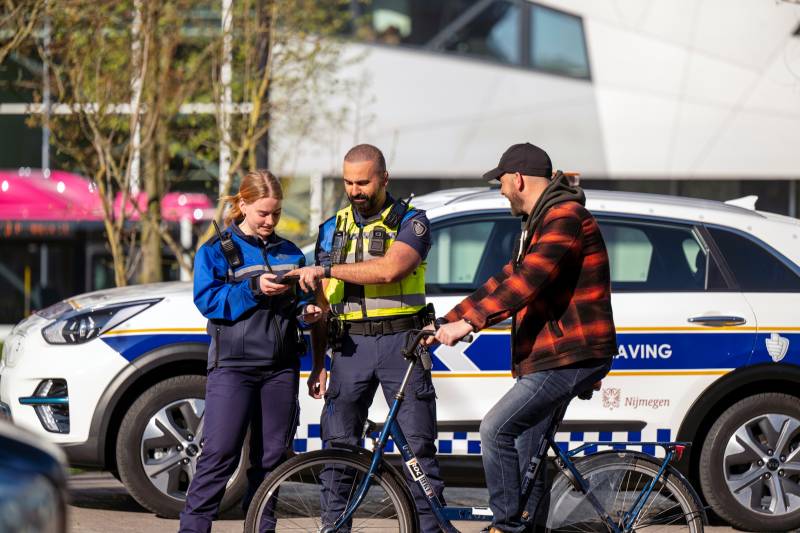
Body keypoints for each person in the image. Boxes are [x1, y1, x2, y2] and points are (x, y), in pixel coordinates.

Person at [432, 143, 617, 533]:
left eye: (501, 182)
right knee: (524, 459)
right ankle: (522, 524)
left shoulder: (565, 218)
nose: (499, 191)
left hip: (569, 355)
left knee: (495, 429)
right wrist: (445, 322)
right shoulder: (539, 222)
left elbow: (526, 282)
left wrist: (469, 325)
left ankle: (505, 528)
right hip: (554, 354)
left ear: (517, 179)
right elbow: (502, 280)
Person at [288, 144, 445, 532]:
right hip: (348, 348)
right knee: (338, 448)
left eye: (364, 182)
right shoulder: (331, 228)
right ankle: (333, 527)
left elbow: (390, 270)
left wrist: (328, 270)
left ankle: (429, 528)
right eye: (348, 182)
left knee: (418, 450)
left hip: (401, 346)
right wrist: (319, 362)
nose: (355, 190)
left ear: (384, 178)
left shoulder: (412, 221)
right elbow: (323, 303)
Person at [179, 170, 322, 533]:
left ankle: (262, 528)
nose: (270, 221)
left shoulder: (290, 253)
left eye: (275, 213)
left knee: (271, 461)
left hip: (281, 370)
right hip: (233, 369)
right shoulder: (216, 251)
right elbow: (209, 302)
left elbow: (297, 308)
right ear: (242, 205)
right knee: (218, 456)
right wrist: (254, 288)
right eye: (262, 213)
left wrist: (307, 312)